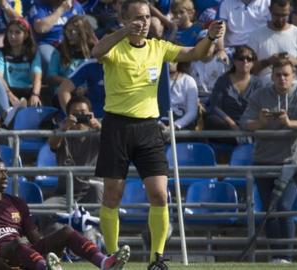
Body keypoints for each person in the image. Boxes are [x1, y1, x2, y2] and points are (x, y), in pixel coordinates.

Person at [90, 0, 224, 269]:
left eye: (147, 17)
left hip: (149, 127)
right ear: (124, 19)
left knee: (160, 195)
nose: (143, 22)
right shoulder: (115, 45)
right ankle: (113, 258)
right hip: (117, 126)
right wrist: (123, 31)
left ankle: (156, 258)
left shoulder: (158, 47)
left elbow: (195, 53)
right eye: (137, 17)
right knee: (112, 195)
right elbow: (97, 51)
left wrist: (210, 37)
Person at [0, 155, 130, 270]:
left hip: (24, 254)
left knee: (66, 232)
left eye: (6, 172)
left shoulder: (16, 203)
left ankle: (105, 263)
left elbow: (36, 239)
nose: (5, 177)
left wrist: (52, 249)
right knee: (18, 243)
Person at [240, 58, 297, 263]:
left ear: (294, 76)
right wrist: (261, 122)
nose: (282, 78)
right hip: (262, 160)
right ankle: (276, 257)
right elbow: (245, 123)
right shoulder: (260, 94)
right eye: (278, 75)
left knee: (283, 209)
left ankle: (286, 258)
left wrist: (290, 123)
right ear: (271, 76)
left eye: (286, 75)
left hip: (290, 163)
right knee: (269, 211)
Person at [205, 45, 262, 144]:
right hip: (227, 124)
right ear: (234, 61)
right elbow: (215, 107)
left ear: (253, 63)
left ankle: (241, 139)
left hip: (250, 123)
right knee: (211, 120)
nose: (245, 62)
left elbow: (259, 107)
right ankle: (243, 140)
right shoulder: (223, 80)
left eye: (249, 59)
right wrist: (232, 124)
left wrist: (247, 124)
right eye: (241, 58)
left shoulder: (258, 83)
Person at [249, 0, 297, 86]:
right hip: (265, 89)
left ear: (290, 11)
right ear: (270, 10)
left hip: (292, 89)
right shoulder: (256, 35)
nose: (280, 19)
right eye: (277, 15)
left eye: (284, 15)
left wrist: (295, 62)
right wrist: (269, 61)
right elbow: (248, 70)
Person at [0, 18, 43, 107]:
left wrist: (35, 95)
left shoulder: (33, 53)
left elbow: (37, 77)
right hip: (7, 91)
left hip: (28, 91)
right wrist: (9, 95)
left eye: (17, 32)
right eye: (10, 32)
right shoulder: (0, 53)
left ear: (26, 35)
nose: (12, 36)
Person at [27, 0, 85, 74]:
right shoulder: (39, 6)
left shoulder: (75, 6)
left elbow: (85, 29)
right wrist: (61, 9)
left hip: (71, 44)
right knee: (46, 55)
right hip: (50, 46)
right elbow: (41, 28)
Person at [48, 15, 98, 100]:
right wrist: (71, 85)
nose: (68, 35)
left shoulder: (95, 50)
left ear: (83, 32)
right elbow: (52, 75)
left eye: (72, 31)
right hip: (65, 92)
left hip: (89, 92)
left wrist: (86, 89)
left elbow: (100, 75)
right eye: (66, 31)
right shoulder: (60, 50)